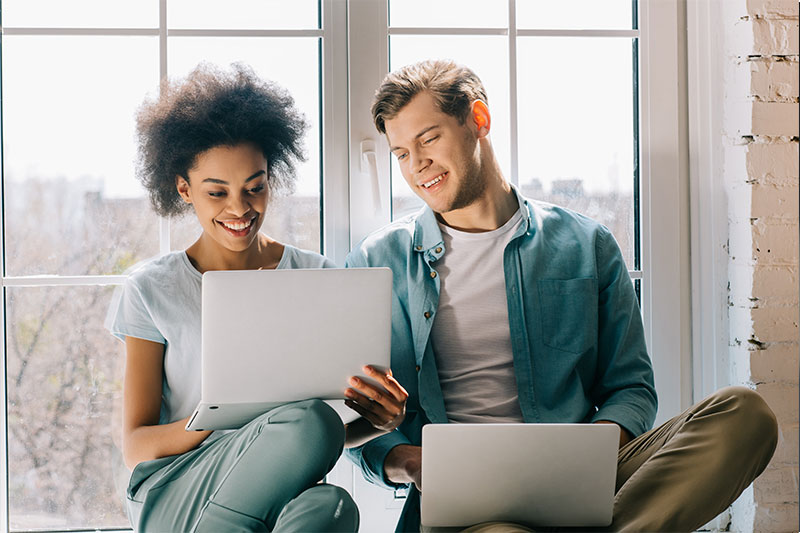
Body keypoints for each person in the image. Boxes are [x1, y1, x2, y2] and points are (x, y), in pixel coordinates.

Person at [345, 59, 779, 533]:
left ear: (478, 120)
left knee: (744, 415)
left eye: (428, 138)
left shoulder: (586, 245)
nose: (417, 165)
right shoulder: (377, 262)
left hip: (587, 474)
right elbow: (356, 428)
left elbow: (630, 389)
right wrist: (415, 464)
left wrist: (578, 464)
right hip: (466, 503)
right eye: (401, 153)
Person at [106, 63, 408, 532]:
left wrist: (380, 422)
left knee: (333, 510)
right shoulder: (152, 288)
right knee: (310, 422)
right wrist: (221, 417)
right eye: (217, 192)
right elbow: (136, 446)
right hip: (176, 491)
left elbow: (321, 438)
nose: (239, 208)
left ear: (272, 179)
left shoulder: (317, 277)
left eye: (255, 187)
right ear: (184, 189)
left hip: (279, 492)